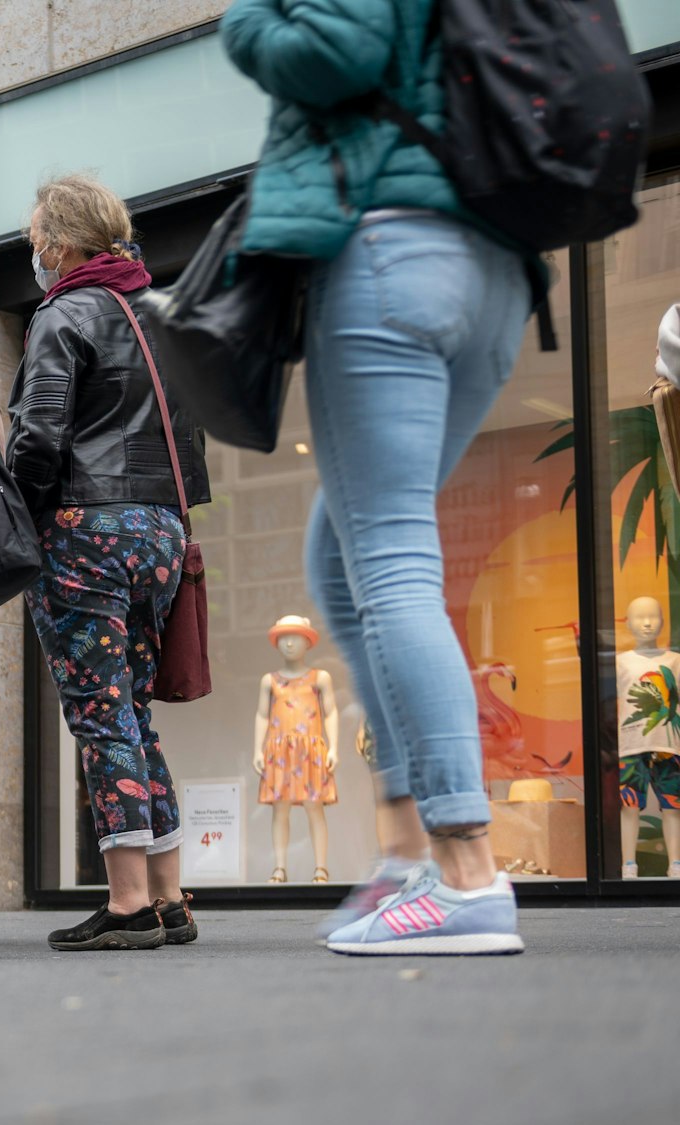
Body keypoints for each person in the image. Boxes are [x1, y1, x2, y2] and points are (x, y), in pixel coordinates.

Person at [225, 0, 535, 955]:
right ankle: (404, 854)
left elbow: (336, 46)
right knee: (339, 553)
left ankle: (467, 873)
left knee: (393, 561)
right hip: (494, 267)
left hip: (395, 248)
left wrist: (245, 21)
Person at [9, 175, 210, 952]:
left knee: (99, 711)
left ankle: (127, 902)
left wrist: (20, 517)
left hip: (84, 528)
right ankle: (168, 894)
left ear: (61, 244)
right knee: (132, 708)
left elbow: (38, 436)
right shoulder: (161, 309)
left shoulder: (64, 312)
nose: (34, 253)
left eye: (37, 240)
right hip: (160, 529)